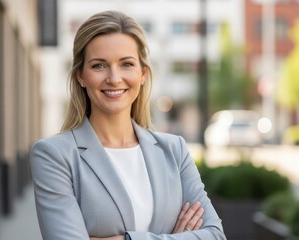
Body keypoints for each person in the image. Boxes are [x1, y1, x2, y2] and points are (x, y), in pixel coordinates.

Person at [30, 10, 226, 240]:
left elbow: (214, 235)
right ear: (80, 76)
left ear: (142, 73)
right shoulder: (54, 155)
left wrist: (127, 239)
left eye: (126, 64)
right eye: (99, 66)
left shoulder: (174, 151)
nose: (114, 78)